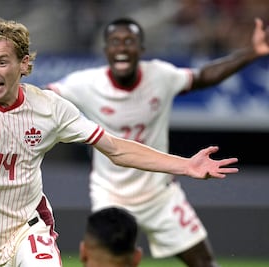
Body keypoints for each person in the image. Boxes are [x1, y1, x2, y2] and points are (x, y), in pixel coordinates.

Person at [0, 17, 239, 267]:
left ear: (24, 64)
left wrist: (186, 165)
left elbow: (116, 148)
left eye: (2, 61)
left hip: (28, 228)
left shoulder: (50, 109)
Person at [46, 17, 269, 267]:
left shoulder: (161, 76)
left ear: (141, 49)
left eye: (129, 41)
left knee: (205, 264)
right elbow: (44, 97)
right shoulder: (85, 83)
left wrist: (252, 52)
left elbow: (204, 76)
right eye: (114, 42)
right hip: (111, 196)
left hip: (160, 195)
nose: (121, 47)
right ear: (106, 50)